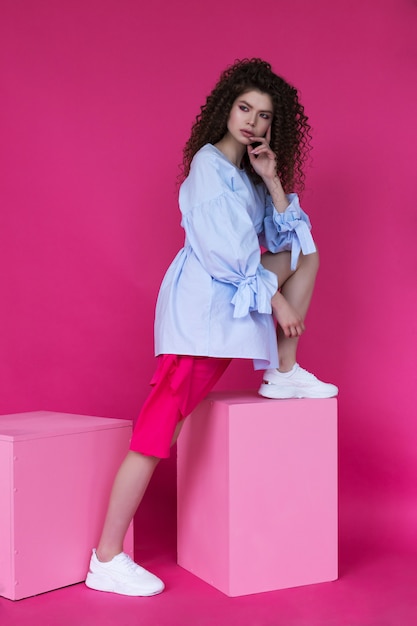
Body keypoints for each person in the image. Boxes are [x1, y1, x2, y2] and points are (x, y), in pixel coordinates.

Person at [85, 58, 338, 597]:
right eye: (244, 108)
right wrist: (273, 300)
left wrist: (271, 180)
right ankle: (106, 557)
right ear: (225, 108)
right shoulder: (206, 167)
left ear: (274, 127)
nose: (251, 122)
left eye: (263, 116)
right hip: (200, 317)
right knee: (154, 438)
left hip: (225, 313)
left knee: (305, 251)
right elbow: (225, 253)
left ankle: (283, 373)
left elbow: (286, 238)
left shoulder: (243, 175)